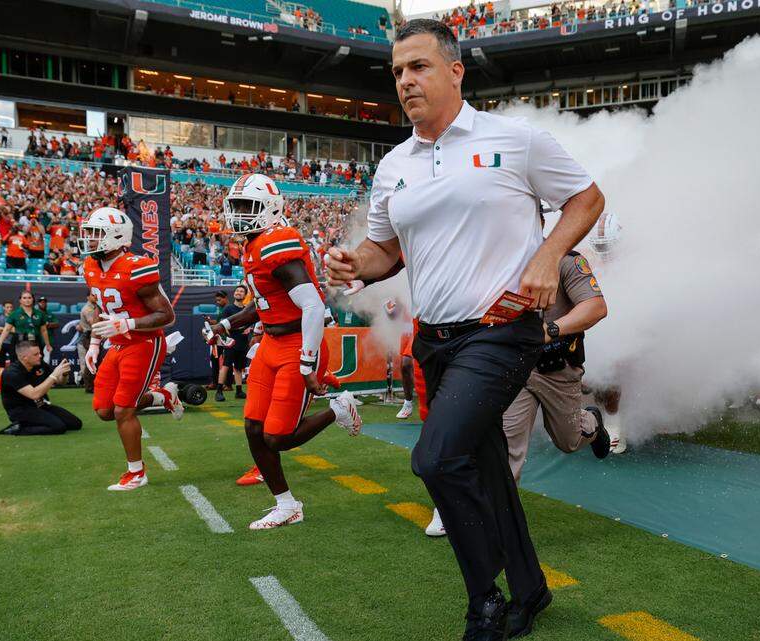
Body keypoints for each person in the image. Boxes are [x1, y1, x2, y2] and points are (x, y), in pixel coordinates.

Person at [324, 19, 604, 640]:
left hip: (502, 333)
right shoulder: (394, 163)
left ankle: (487, 601)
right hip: (435, 339)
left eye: (418, 67)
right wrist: (355, 266)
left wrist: (543, 258)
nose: (404, 81)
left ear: (455, 71)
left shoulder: (516, 139)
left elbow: (586, 199)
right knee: (485, 467)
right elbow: (383, 253)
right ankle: (531, 591)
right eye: (397, 71)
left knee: (437, 459)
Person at [206, 173, 362, 530]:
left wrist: (308, 362)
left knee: (277, 436)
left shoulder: (277, 242)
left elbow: (311, 306)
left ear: (271, 209)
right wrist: (226, 326)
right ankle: (287, 504)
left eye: (249, 207)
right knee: (252, 427)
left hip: (297, 342)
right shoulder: (252, 244)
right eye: (237, 207)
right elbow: (264, 304)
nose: (240, 214)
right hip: (272, 343)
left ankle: (338, 409)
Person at [79, 206, 183, 491]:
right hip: (116, 344)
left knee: (124, 410)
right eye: (88, 233)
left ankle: (136, 472)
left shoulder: (137, 267)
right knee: (103, 409)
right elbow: (103, 306)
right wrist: (96, 343)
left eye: (95, 233)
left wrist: (126, 325)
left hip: (144, 343)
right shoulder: (90, 266)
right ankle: (163, 396)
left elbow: (167, 315)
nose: (89, 239)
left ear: (115, 236)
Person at [501, 249, 611, 483]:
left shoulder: (566, 261)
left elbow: (596, 307)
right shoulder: (497, 262)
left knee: (569, 441)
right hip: (516, 368)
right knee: (507, 448)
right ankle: (502, 516)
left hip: (557, 370)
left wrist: (549, 331)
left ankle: (592, 421)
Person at [0, 341, 82, 435]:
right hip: (21, 410)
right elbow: (34, 394)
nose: (40, 356)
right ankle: (18, 428)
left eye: (39, 353)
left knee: (76, 424)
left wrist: (64, 373)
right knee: (58, 427)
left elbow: (61, 382)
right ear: (24, 358)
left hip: (40, 405)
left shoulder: (39, 364)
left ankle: (34, 423)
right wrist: (54, 374)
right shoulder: (12, 373)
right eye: (36, 354)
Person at [0, 291, 51, 362]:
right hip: (19, 341)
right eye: (24, 298)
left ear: (33, 299)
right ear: (20, 300)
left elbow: (44, 330)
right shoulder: (14, 314)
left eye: (29, 298)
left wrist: (48, 345)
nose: (27, 300)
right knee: (17, 363)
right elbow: (6, 330)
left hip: (35, 341)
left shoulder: (40, 314)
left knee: (36, 363)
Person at [77, 292, 100, 392]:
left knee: (94, 361)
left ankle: (92, 385)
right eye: (92, 295)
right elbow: (93, 324)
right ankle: (89, 387)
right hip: (88, 337)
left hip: (93, 336)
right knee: (90, 361)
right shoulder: (88, 309)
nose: (95, 296)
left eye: (95, 294)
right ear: (87, 297)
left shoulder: (96, 307)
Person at [0, 300, 17, 369]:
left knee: (13, 362)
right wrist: (8, 329)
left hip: (12, 342)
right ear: (3, 308)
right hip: (1, 342)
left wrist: (1, 329)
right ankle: (1, 379)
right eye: (7, 307)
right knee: (1, 362)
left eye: (11, 307)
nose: (9, 309)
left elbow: (15, 330)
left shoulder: (15, 318)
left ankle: (12, 378)